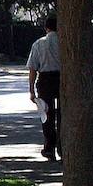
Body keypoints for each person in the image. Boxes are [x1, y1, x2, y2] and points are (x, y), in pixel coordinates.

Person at [27, 13, 61, 161]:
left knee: (46, 115)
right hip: (61, 78)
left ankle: (49, 147)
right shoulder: (64, 41)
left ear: (46, 27)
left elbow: (33, 68)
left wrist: (31, 90)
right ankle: (63, 146)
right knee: (63, 115)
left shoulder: (38, 44)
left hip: (45, 80)